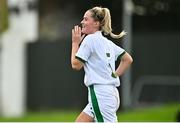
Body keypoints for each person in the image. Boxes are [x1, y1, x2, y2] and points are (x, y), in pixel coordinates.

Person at [71, 6, 133, 122]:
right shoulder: (107, 42)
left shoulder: (90, 39)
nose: (82, 22)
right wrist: (115, 75)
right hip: (111, 94)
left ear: (96, 23)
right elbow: (127, 59)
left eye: (86, 19)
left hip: (101, 95)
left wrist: (75, 43)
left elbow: (76, 65)